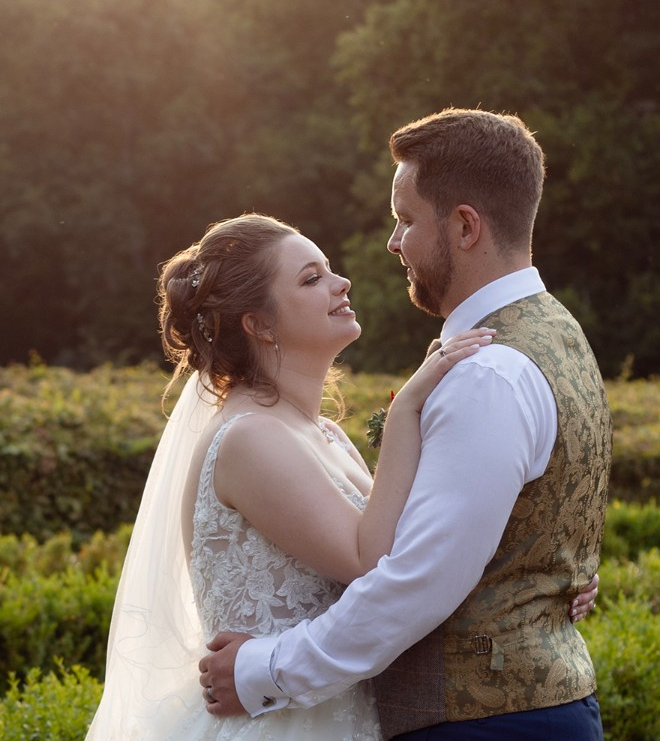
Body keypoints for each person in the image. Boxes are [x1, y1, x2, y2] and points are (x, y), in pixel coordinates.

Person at [201, 109, 611, 741]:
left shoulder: (487, 373)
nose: (394, 243)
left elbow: (417, 579)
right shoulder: (559, 338)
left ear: (466, 226)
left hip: (484, 725)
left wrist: (263, 670)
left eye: (407, 219)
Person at [85, 212, 502, 741]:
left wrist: (538, 572)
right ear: (258, 324)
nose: (341, 282)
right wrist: (405, 413)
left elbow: (417, 544)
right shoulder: (249, 437)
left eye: (328, 270)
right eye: (311, 279)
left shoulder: (324, 432)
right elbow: (368, 560)